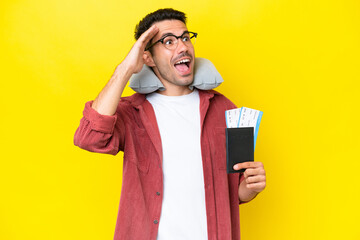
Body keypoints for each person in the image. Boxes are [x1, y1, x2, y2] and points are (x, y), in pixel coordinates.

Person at [74, 8, 266, 240]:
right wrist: (125, 69)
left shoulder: (225, 109)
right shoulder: (131, 113)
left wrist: (251, 187)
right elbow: (89, 137)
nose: (183, 47)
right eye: (168, 41)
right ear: (147, 58)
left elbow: (235, 193)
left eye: (185, 38)